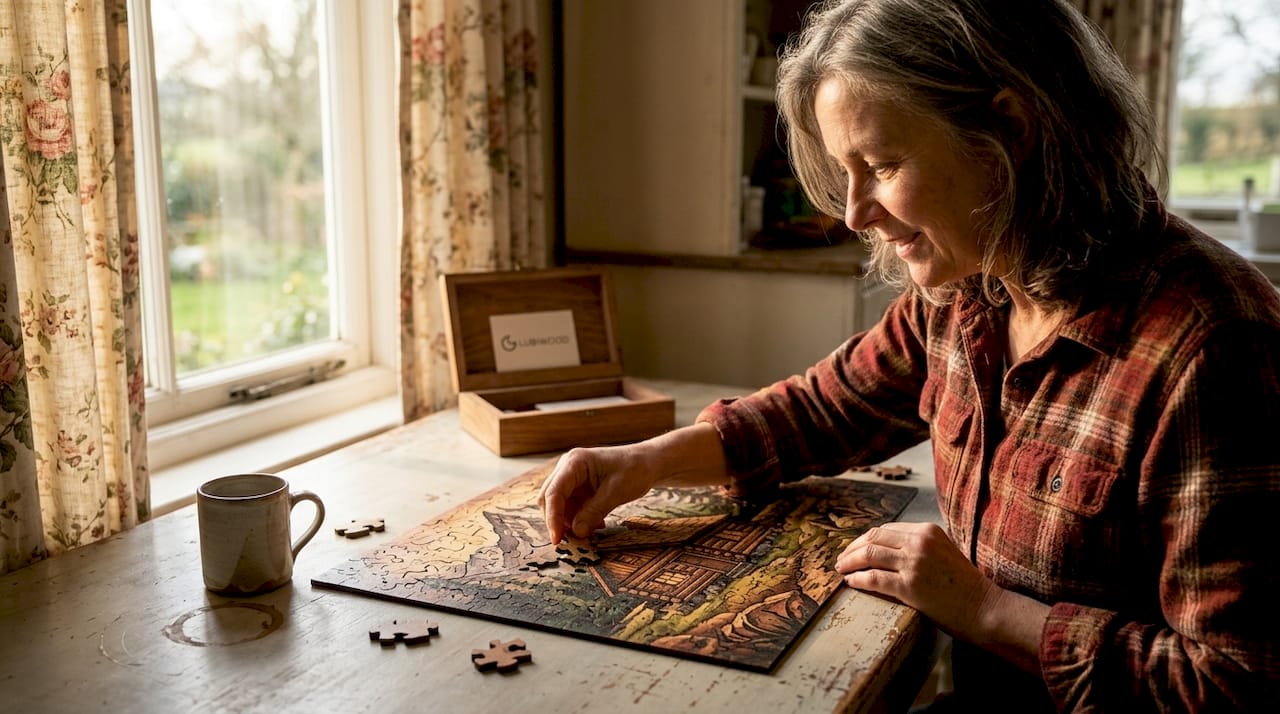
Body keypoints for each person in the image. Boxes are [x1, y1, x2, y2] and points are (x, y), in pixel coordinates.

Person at [539, 0, 1280, 710]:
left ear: (1012, 131)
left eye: (882, 164)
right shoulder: (972, 287)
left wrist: (985, 610)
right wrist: (645, 461)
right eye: (845, 172)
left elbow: (1237, 684)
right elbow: (826, 408)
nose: (855, 212)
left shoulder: (1215, 348)